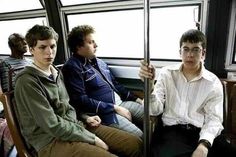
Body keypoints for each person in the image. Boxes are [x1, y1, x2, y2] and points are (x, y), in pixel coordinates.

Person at [14, 24, 143, 157]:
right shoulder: (27, 82)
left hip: (75, 126)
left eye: (52, 46)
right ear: (31, 49)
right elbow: (51, 125)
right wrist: (92, 139)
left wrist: (84, 117)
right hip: (50, 141)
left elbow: (67, 106)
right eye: (42, 47)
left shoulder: (57, 73)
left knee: (135, 144)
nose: (49, 52)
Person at [139, 29, 236, 157]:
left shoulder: (213, 82)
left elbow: (214, 119)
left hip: (202, 131)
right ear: (180, 52)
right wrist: (150, 86)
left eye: (196, 49)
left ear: (203, 54)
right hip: (172, 131)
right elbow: (153, 110)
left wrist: (203, 145)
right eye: (186, 49)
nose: (190, 54)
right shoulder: (166, 73)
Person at [62, 25, 144, 138]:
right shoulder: (72, 67)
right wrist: (114, 108)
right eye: (91, 42)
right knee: (139, 136)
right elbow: (80, 100)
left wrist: (138, 99)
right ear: (78, 47)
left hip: (120, 102)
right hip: (104, 112)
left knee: (151, 115)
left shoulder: (100, 62)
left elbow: (115, 85)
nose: (96, 45)